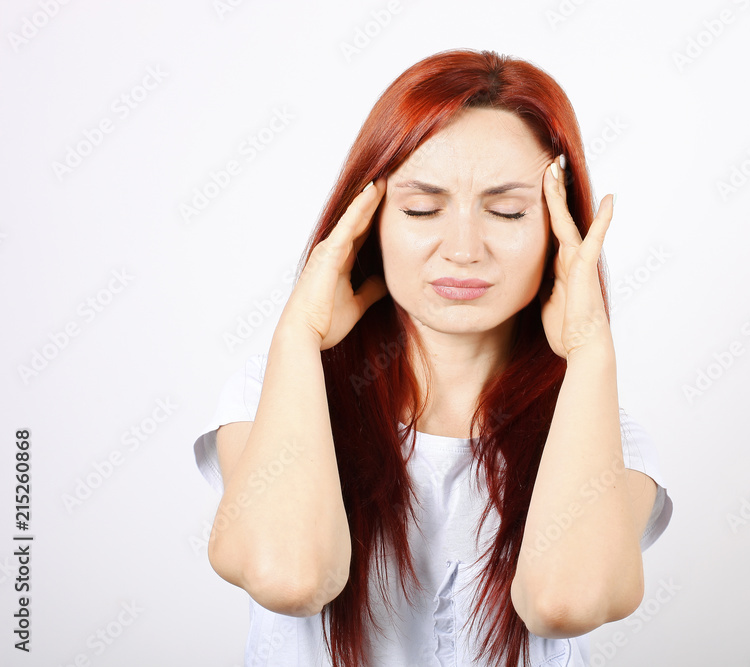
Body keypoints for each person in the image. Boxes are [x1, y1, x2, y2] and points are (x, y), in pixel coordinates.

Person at [192, 48, 673, 667]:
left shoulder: (603, 435)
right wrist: (299, 335)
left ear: (560, 231)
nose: (464, 249)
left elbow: (563, 602)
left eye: (506, 211)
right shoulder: (279, 391)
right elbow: (290, 579)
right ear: (368, 222)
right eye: (422, 208)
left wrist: (590, 355)